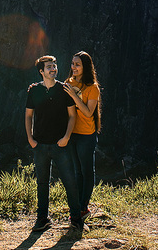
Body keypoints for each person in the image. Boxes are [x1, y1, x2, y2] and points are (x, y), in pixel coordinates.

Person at [24, 55, 82, 233]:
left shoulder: (64, 90)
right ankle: (42, 219)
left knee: (69, 181)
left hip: (60, 145)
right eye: (49, 67)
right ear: (41, 71)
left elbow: (72, 116)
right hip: (40, 145)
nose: (53, 69)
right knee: (42, 183)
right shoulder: (34, 91)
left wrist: (66, 137)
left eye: (54, 66)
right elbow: (28, 115)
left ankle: (76, 220)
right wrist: (30, 139)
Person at [63, 50, 101, 220]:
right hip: (72, 133)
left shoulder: (92, 88)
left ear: (86, 67)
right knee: (77, 171)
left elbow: (87, 112)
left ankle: (83, 207)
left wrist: (73, 95)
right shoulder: (68, 82)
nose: (74, 67)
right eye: (72, 64)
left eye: (77, 64)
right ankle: (77, 206)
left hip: (86, 134)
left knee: (86, 171)